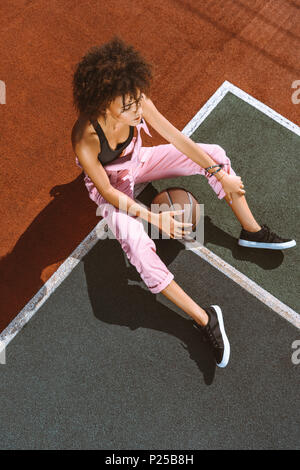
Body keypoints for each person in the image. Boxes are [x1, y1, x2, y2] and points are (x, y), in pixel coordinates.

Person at [71, 36, 296, 369]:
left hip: (140, 161)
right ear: (103, 102)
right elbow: (107, 193)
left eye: (136, 100)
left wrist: (219, 172)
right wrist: (153, 217)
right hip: (115, 187)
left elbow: (177, 137)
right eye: (127, 105)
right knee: (140, 253)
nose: (136, 109)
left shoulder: (138, 101)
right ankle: (205, 319)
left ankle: (252, 231)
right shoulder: (85, 136)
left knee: (215, 154)